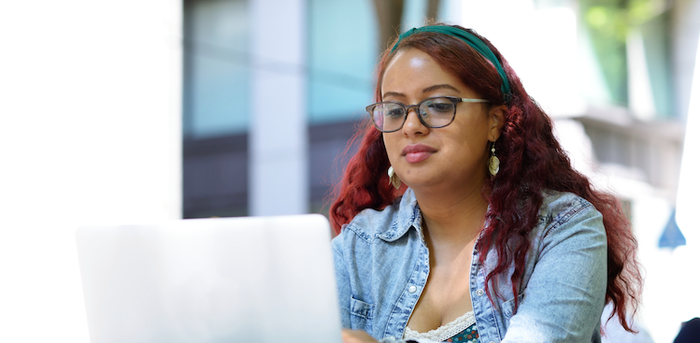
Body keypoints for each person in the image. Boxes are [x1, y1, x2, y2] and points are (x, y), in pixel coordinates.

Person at [329, 24, 643, 343]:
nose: (411, 126)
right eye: (395, 110)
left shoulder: (563, 227)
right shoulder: (357, 246)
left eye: (438, 105)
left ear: (495, 121)